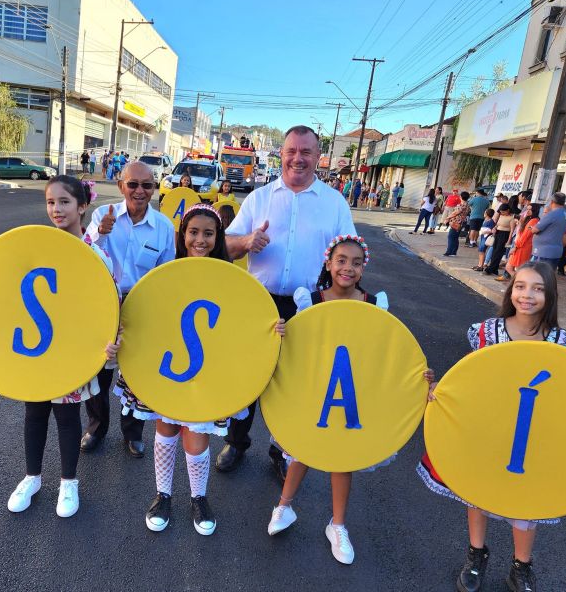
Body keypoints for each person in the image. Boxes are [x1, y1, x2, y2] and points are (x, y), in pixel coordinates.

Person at [114, 204, 285, 535]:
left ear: (218, 237)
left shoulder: (231, 277)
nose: (200, 240)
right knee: (165, 429)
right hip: (166, 370)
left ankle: (199, 497)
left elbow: (242, 320)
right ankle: (162, 494)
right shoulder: (166, 271)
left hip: (210, 374)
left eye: (209, 233)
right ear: (183, 236)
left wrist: (270, 329)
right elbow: (146, 313)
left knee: (197, 439)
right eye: (193, 232)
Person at [267, 236, 435, 564]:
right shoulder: (310, 301)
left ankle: (338, 524)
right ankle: (283, 507)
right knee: (301, 449)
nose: (348, 268)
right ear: (328, 263)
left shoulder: (373, 305)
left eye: (356, 263)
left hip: (354, 394)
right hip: (315, 389)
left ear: (363, 269)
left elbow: (387, 351)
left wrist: (418, 376)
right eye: (341, 260)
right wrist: (280, 334)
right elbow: (297, 348)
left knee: (343, 458)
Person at [419, 261, 566, 592]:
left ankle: (521, 566)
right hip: (489, 431)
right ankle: (476, 555)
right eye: (520, 286)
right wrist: (440, 393)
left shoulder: (563, 342)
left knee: (527, 502)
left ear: (550, 295)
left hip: (534, 437)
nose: (527, 295)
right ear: (511, 290)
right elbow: (471, 380)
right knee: (479, 494)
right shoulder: (488, 332)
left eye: (537, 288)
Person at [218, 124, 357, 480]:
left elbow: (351, 259)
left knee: (295, 383)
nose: (298, 158)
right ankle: (236, 441)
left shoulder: (334, 203)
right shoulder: (259, 198)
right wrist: (247, 241)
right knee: (247, 376)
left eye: (306, 152)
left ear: (317, 157)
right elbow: (226, 246)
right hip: (257, 302)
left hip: (310, 305)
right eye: (292, 151)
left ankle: (282, 449)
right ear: (282, 153)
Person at [6, 175, 122, 518]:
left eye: (65, 202)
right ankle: (32, 477)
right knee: (35, 411)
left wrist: (107, 344)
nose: (56, 209)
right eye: (50, 202)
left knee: (67, 415)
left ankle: (69, 482)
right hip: (37, 350)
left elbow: (108, 302)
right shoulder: (37, 247)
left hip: (71, 350)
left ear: (82, 206)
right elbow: (6, 286)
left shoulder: (93, 254)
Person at [83, 161, 176, 458]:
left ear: (154, 189)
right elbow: (82, 255)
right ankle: (96, 427)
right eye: (133, 184)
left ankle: (132, 433)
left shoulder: (163, 227)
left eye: (147, 185)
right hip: (103, 303)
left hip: (142, 305)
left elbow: (167, 274)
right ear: (122, 185)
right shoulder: (102, 215)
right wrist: (99, 232)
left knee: (135, 373)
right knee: (98, 369)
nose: (139, 191)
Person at [497, 203, 542, 282]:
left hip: (523, 247)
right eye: (527, 209)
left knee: (514, 267)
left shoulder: (533, 221)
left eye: (530, 209)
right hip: (521, 245)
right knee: (511, 266)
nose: (527, 211)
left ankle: (520, 282)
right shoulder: (531, 219)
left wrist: (515, 247)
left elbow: (524, 237)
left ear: (535, 210)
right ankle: (519, 282)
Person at [528, 192, 566, 269]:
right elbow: (564, 239)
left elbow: (535, 230)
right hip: (556, 251)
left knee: (538, 275)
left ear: (552, 201)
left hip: (543, 252)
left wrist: (532, 228)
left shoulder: (552, 214)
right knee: (547, 276)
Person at [483, 204, 516, 276]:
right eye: (501, 212)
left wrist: (508, 240)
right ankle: (494, 268)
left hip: (505, 235)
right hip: (498, 233)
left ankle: (491, 268)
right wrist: (494, 228)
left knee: (498, 252)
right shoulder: (501, 216)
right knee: (494, 251)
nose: (502, 213)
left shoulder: (512, 218)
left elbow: (512, 230)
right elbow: (497, 224)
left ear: (507, 210)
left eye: (503, 212)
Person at [443, 191, 470, 256]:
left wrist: (447, 218)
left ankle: (449, 251)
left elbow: (456, 212)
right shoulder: (467, 205)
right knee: (455, 237)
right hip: (461, 222)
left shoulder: (461, 205)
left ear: (461, 196)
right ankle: (453, 252)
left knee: (451, 236)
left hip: (457, 222)